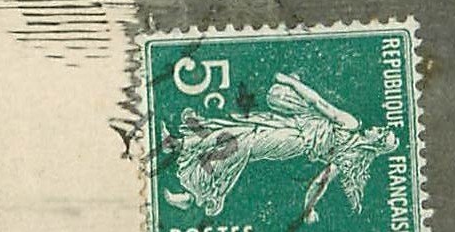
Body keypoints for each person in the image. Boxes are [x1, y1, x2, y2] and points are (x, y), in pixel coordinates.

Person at [161, 71, 397, 224]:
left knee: (240, 144)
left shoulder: (350, 126)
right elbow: (320, 182)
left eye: (382, 133)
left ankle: (193, 195)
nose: (378, 128)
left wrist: (290, 82)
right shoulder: (350, 145)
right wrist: (309, 209)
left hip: (292, 139)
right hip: (288, 126)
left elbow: (318, 103)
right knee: (238, 129)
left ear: (376, 142)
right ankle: (178, 144)